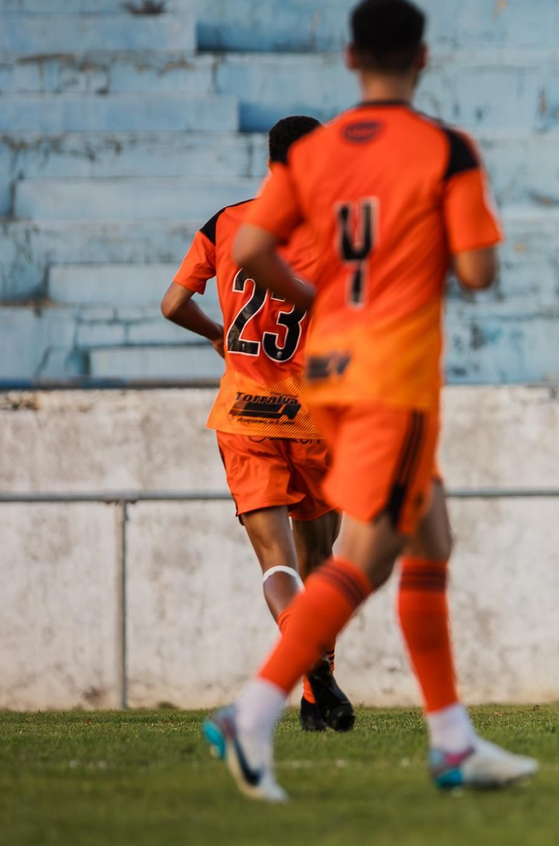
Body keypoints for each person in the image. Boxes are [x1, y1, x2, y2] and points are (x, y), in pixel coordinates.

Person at [200, 0, 536, 802]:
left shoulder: (314, 158)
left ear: (351, 60)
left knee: (428, 539)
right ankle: (253, 712)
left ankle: (451, 737)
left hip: (334, 380)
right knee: (366, 557)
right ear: (423, 59)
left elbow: (250, 247)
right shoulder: (441, 148)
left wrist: (327, 299)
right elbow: (480, 271)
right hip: (393, 372)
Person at [161, 115, 354, 734]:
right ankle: (313, 686)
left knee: (278, 564)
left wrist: (220, 336)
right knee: (321, 559)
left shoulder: (225, 222)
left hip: (243, 412)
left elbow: (171, 304)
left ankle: (312, 686)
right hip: (316, 414)